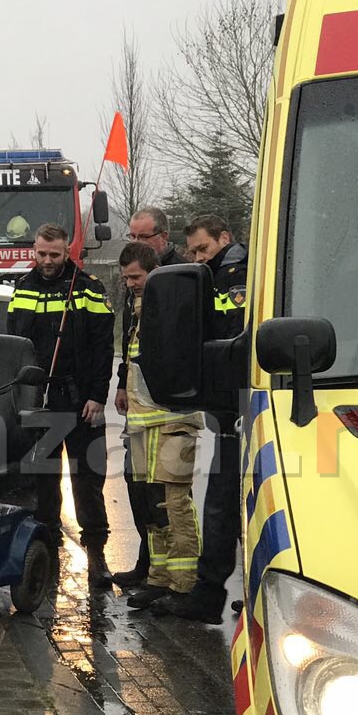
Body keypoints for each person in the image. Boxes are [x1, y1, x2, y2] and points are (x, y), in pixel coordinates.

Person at [150, 214, 247, 624]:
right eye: (191, 251)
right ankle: (235, 591)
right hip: (236, 408)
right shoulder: (214, 274)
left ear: (224, 239)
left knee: (225, 506)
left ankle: (209, 594)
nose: (196, 257)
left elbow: (230, 339)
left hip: (239, 408)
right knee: (232, 505)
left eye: (202, 248)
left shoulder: (233, 272)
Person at [6, 224, 115, 592]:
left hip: (81, 399)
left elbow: (103, 348)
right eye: (41, 254)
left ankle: (97, 553)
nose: (47, 261)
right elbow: (13, 345)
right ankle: (48, 548)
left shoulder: (88, 288)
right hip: (38, 399)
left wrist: (98, 395)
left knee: (87, 479)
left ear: (67, 251)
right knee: (42, 479)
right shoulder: (22, 288)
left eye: (54, 254)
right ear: (33, 250)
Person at [111, 241, 202, 604]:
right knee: (149, 503)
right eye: (126, 278)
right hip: (141, 421)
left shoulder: (171, 305)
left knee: (173, 502)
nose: (131, 283)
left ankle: (185, 585)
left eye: (136, 277)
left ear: (153, 271)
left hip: (172, 419)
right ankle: (158, 578)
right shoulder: (136, 310)